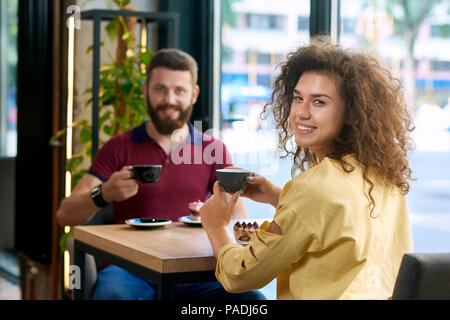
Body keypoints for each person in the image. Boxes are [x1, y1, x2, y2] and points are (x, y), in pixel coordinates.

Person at [200, 36, 415, 300]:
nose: (301, 112)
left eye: (319, 102)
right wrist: (278, 197)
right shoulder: (383, 176)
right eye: (298, 98)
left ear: (351, 112)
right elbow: (340, 225)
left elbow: (241, 275)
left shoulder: (313, 189)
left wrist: (216, 226)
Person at [56, 48, 265, 300]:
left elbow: (238, 219)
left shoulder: (213, 149)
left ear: (194, 94)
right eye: (160, 89)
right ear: (146, 91)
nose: (169, 99)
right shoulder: (119, 146)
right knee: (114, 296)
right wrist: (104, 193)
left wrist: (216, 216)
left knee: (251, 300)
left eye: (179, 91)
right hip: (130, 269)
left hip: (195, 270)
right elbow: (64, 215)